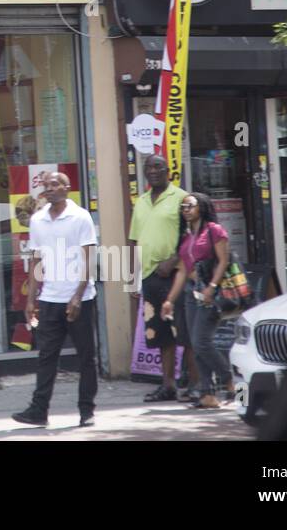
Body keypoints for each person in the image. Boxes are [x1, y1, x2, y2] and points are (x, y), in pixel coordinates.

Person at [12, 172, 99, 428]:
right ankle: (39, 410)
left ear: (67, 188)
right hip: (50, 298)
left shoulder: (80, 217)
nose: (48, 189)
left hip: (79, 298)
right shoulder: (38, 220)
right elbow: (37, 259)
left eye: (54, 185)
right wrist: (31, 299)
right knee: (47, 356)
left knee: (86, 357)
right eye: (45, 185)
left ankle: (86, 409)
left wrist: (77, 296)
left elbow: (88, 259)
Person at [128, 154, 196, 402]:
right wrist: (132, 279)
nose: (153, 171)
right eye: (149, 167)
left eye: (158, 166)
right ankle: (167, 386)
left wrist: (175, 261)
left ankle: (196, 386)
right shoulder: (141, 201)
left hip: (176, 276)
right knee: (161, 334)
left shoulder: (182, 198)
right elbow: (134, 240)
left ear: (168, 170)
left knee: (185, 333)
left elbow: (193, 236)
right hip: (149, 277)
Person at [162, 193, 233, 408]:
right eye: (183, 207)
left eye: (190, 206)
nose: (185, 210)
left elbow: (223, 261)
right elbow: (183, 271)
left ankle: (232, 382)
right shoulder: (186, 236)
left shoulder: (214, 230)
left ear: (201, 207)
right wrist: (169, 301)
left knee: (202, 341)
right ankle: (207, 394)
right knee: (195, 342)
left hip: (210, 292)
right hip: (191, 293)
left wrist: (212, 286)